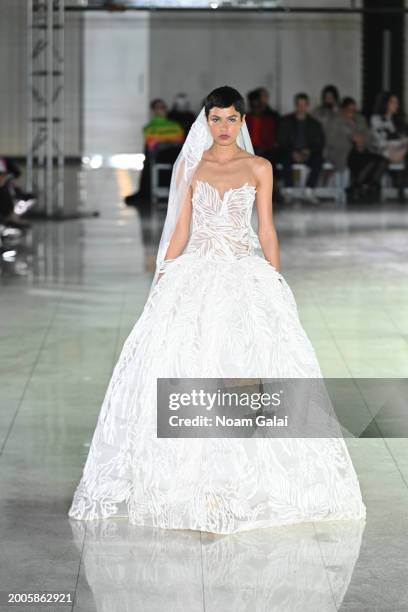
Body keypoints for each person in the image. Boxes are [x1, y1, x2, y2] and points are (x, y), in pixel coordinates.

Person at [68, 85, 366, 534]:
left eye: (231, 119)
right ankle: (195, 481)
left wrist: (277, 279)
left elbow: (265, 229)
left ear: (243, 122)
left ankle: (239, 478)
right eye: (216, 119)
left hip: (243, 275)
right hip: (197, 273)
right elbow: (182, 226)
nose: (223, 127)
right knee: (188, 366)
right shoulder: (192, 165)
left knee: (244, 368)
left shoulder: (259, 167)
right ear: (205, 121)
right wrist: (163, 275)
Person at [124, 99, 184, 210]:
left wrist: (164, 141)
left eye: (163, 107)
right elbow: (153, 144)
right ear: (153, 110)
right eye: (158, 107)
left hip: (175, 152)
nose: (161, 110)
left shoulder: (175, 125)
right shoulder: (149, 127)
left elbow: (180, 141)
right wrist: (169, 141)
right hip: (161, 154)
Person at [325, 97, 387, 203]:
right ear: (343, 109)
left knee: (382, 161)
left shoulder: (360, 119)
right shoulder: (335, 121)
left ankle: (367, 187)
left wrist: (362, 141)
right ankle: (358, 187)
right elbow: (331, 140)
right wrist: (352, 139)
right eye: (349, 109)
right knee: (370, 162)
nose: (352, 112)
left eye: (354, 109)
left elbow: (369, 136)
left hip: (362, 151)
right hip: (343, 153)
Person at [278, 92, 325, 201]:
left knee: (319, 159)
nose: (301, 107)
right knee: (284, 157)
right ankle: (288, 190)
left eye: (304, 104)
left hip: (308, 153)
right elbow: (281, 140)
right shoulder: (286, 121)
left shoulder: (314, 124)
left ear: (307, 105)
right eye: (299, 104)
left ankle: (309, 189)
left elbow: (320, 142)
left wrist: (308, 151)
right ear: (295, 105)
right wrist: (292, 152)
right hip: (290, 152)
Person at [370, 91, 408, 201]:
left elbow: (404, 139)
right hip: (384, 152)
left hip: (401, 151)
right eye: (393, 102)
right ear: (385, 103)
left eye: (397, 102)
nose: (396, 105)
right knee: (384, 157)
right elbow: (381, 141)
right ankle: (374, 189)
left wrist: (402, 149)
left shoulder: (399, 120)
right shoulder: (376, 119)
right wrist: (399, 146)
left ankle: (402, 188)